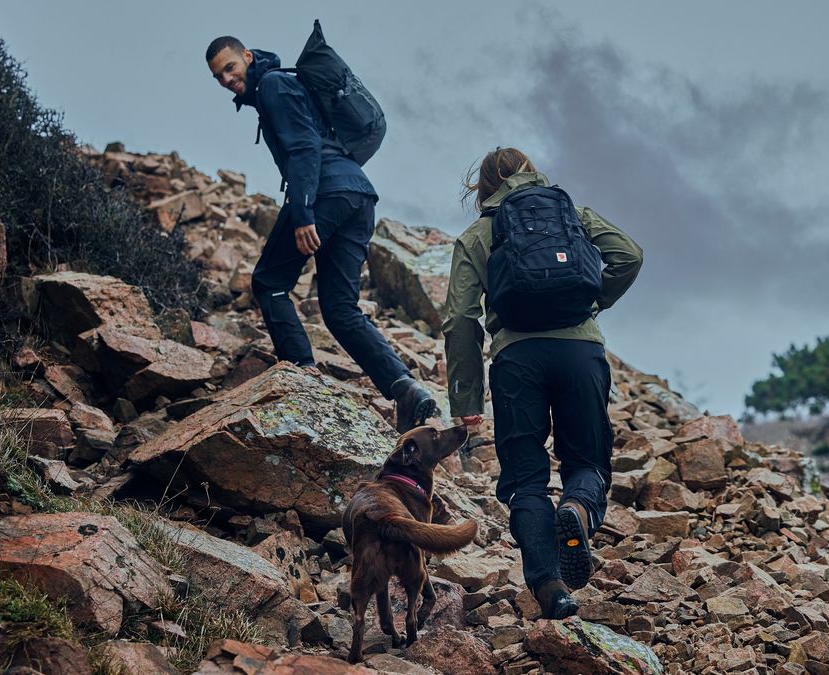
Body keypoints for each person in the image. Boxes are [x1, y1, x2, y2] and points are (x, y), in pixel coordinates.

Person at [442, 147, 643, 619]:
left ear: (484, 189)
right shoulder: (571, 213)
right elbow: (629, 256)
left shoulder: (478, 233)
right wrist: (592, 305)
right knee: (588, 460)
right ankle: (577, 506)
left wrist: (467, 398)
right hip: (581, 353)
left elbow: (459, 319)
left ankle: (551, 588)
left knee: (525, 478)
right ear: (532, 172)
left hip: (516, 359)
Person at [205, 36, 436, 433]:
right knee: (339, 308)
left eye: (230, 68)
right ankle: (405, 387)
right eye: (218, 76)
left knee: (269, 281)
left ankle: (302, 376)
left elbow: (304, 147)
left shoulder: (274, 85)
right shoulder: (278, 88)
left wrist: (304, 212)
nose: (226, 79)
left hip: (325, 194)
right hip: (358, 196)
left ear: (247, 57)